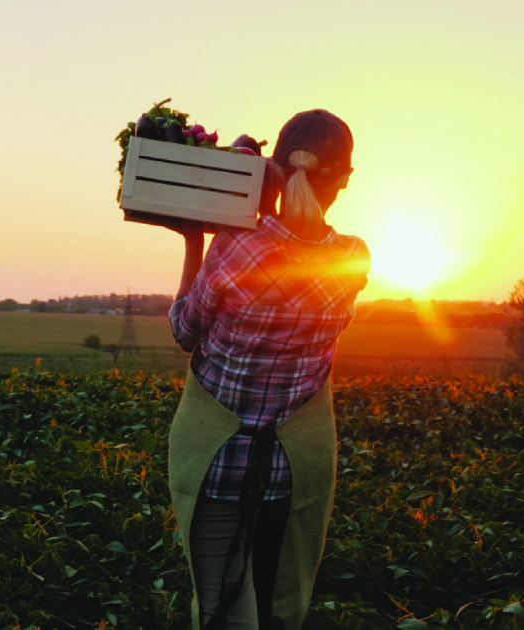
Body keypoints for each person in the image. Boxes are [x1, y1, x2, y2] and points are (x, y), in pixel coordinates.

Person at [165, 109, 369, 630]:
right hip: (292, 473)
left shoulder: (236, 248)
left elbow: (185, 331)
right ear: (343, 181)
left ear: (273, 170)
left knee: (217, 612)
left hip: (217, 465)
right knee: (278, 610)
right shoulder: (353, 260)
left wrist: (197, 236)